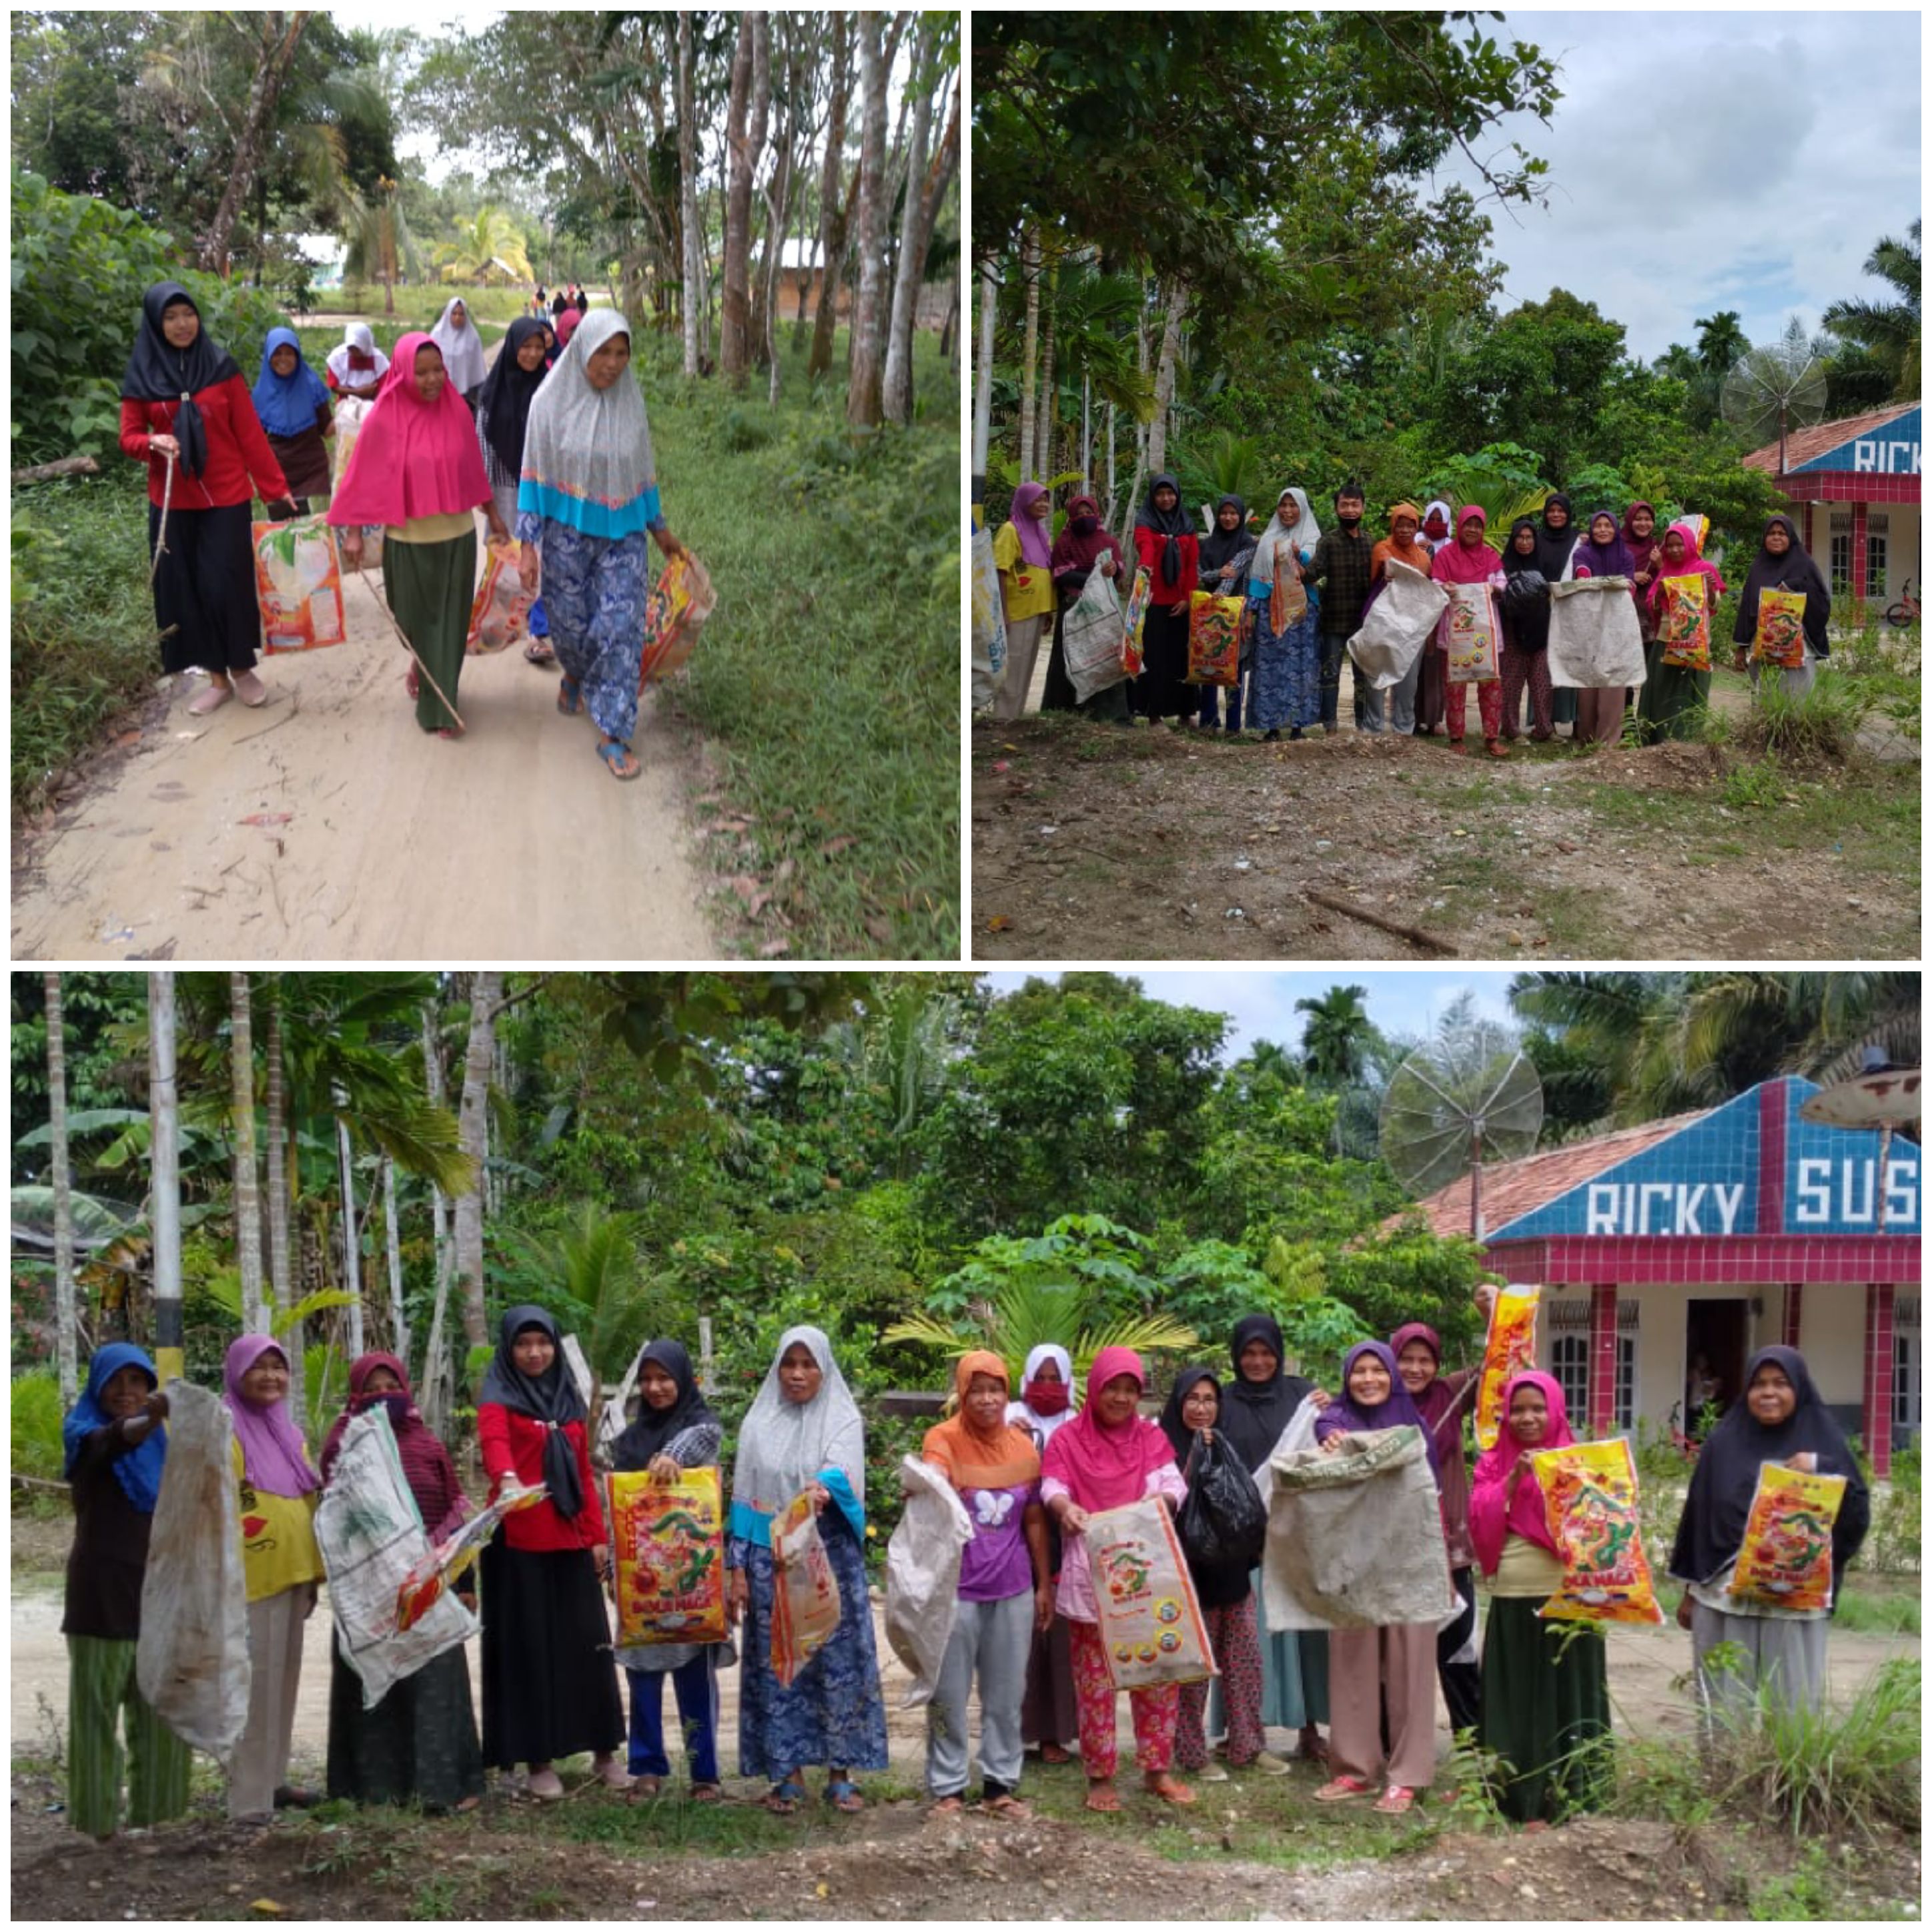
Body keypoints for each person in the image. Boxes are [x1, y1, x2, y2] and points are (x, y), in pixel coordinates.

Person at [517, 311, 688, 780]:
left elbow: (642, 470)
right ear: (582, 351)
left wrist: (660, 530)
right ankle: (574, 672)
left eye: (621, 353)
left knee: (619, 627)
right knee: (570, 623)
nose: (612, 364)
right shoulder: (548, 404)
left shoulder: (631, 402)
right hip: (566, 536)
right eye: (603, 353)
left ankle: (613, 731)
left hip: (624, 538)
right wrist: (527, 544)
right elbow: (533, 474)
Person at [1667, 1347, 1870, 1733]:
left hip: (1794, 1598)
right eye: (1759, 1384)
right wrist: (1691, 1591)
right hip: (1723, 1596)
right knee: (1722, 1709)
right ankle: (1723, 1786)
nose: (1768, 1393)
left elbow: (1857, 1510)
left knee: (1793, 1709)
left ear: (1799, 1389)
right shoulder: (1723, 1444)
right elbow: (1699, 1516)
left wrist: (1821, 1469)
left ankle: (1787, 1791)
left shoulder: (1825, 1445)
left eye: (1781, 1383)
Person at [729, 1326, 888, 1813]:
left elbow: (841, 1469)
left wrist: (822, 1487)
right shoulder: (757, 1425)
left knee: (836, 1664)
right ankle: (788, 1773)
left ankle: (842, 1772)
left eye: (807, 1364)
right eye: (789, 1364)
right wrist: (737, 1569)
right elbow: (742, 1497)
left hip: (828, 1560)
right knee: (780, 1666)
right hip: (770, 1562)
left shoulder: (842, 1419)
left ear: (824, 1369)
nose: (797, 1374)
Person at [120, 282, 298, 716]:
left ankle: (242, 668)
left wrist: (276, 489)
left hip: (225, 497)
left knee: (225, 586)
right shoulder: (143, 376)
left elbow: (250, 436)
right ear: (155, 323)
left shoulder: (221, 368)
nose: (182, 325)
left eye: (188, 314)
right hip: (171, 504)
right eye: (171, 317)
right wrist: (153, 443)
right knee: (189, 591)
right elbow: (127, 437)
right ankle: (215, 678)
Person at [319, 1353, 483, 1814]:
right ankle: (374, 1790)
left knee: (435, 1688)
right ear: (355, 1393)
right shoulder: (341, 1446)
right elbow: (333, 1521)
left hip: (429, 1587)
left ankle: (444, 1788)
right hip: (370, 1592)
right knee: (375, 1687)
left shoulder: (428, 1444)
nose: (381, 1395)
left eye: (390, 1384)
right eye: (370, 1387)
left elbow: (452, 1513)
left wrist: (466, 1581)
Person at [476, 1306, 629, 1799]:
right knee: (531, 1652)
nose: (535, 1352)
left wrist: (597, 1536)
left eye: (543, 1342)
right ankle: (538, 1759)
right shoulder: (498, 1397)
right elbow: (494, 1445)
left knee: (588, 1648)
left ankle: (604, 1752)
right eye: (524, 1344)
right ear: (509, 1350)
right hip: (519, 1540)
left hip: (570, 1540)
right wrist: (507, 1480)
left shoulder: (568, 1398)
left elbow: (583, 1472)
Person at [328, 334, 509, 739]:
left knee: (448, 626)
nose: (430, 380)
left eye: (437, 371)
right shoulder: (383, 416)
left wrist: (494, 516)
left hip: (455, 537)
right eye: (421, 372)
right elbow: (362, 480)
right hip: (407, 542)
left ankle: (441, 708)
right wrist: (354, 535)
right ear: (403, 371)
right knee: (411, 623)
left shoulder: (457, 410)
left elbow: (473, 472)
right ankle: (423, 662)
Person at [1042, 1346, 1195, 1812]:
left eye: (1131, 1390)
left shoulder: (1149, 1438)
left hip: (1146, 1575)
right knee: (1095, 1681)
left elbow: (1174, 1483)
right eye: (1114, 1387)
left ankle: (1156, 1769)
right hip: (1091, 1572)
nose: (1123, 1398)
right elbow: (1051, 1485)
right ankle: (1100, 1775)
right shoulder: (1067, 1439)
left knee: (1156, 1672)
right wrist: (1065, 1509)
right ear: (1096, 1388)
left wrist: (1162, 1504)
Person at [60, 1345, 190, 1841]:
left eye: (138, 1382)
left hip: (159, 1596)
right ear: (98, 1385)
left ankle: (159, 1817)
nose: (127, 1392)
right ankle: (96, 1824)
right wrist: (153, 1416)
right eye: (117, 1381)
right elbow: (118, 1439)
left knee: (160, 1711)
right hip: (99, 1597)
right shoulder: (84, 1435)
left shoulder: (165, 1450)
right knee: (96, 1713)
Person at [1469, 1372, 1612, 1823]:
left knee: (1570, 1692)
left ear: (1556, 1410)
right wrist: (1513, 1481)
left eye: (1537, 1408)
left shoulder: (1581, 1462)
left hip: (1572, 1598)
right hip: (1514, 1593)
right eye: (1518, 1409)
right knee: (1519, 1697)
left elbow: (1604, 1525)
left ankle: (1576, 1792)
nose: (1527, 1418)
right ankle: (1519, 1799)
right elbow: (1478, 1518)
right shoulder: (1492, 1463)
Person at [1312, 1342, 1442, 1815]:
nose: (1369, 1379)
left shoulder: (1414, 1427)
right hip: (1352, 1563)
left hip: (1409, 1560)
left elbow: (1431, 1495)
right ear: (1347, 1378)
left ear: (1392, 1376)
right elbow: (1328, 1431)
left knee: (1411, 1667)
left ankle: (1406, 1776)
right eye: (1359, 1372)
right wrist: (1330, 1436)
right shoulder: (1333, 1424)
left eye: (1378, 1371)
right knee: (1352, 1665)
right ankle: (1355, 1770)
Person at [919, 1352, 1051, 1818]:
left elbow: (1034, 1520)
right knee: (946, 1695)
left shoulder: (1023, 1448)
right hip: (954, 1591)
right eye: (977, 1390)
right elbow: (931, 1472)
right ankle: (947, 1787)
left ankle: (1000, 1785)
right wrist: (931, 1477)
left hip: (1012, 1588)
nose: (987, 1399)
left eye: (995, 1389)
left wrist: (1042, 1584)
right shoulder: (943, 1438)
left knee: (1005, 1696)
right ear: (962, 1392)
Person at [610, 1340, 729, 1800]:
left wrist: (672, 1456)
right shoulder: (628, 1442)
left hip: (690, 1582)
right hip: (642, 1585)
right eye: (648, 1379)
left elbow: (701, 1438)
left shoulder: (702, 1428)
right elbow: (615, 1503)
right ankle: (646, 1767)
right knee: (641, 1673)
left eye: (665, 1377)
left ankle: (705, 1773)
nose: (656, 1387)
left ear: (683, 1380)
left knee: (695, 1677)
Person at [223, 1334, 324, 1825]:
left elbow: (307, 1500)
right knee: (253, 1687)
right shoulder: (227, 1430)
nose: (270, 1377)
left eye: (278, 1367)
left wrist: (315, 1575)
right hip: (250, 1578)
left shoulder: (290, 1433)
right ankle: (248, 1800)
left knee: (283, 1681)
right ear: (237, 1373)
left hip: (293, 1574)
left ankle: (274, 1781)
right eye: (258, 1367)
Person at [1218, 1314, 1326, 1763]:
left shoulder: (1301, 1394)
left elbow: (1328, 1436)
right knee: (1248, 1634)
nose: (1258, 1361)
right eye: (1249, 1353)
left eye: (1266, 1353)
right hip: (1242, 1536)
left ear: (1279, 1354)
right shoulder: (1222, 1400)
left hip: (1296, 1534)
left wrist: (1330, 1407)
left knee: (1303, 1634)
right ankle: (1245, 1730)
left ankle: (1311, 1731)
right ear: (1237, 1356)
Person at [1158, 1368, 1275, 1781]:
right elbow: (1169, 1501)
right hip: (1187, 1576)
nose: (1201, 1408)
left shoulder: (1228, 1442)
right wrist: (1195, 1458)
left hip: (1232, 1571)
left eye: (1209, 1399)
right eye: (1192, 1399)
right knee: (1193, 1668)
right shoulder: (1162, 1444)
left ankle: (1248, 1744)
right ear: (1178, 1402)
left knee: (1244, 1662)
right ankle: (1191, 1752)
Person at [1390, 1319, 1484, 1738]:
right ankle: (1393, 1744)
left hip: (1451, 1550)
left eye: (1424, 1360)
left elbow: (1504, 1366)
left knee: (1457, 1651)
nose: (1414, 1369)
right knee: (1395, 1657)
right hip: (1396, 1553)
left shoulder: (1452, 1392)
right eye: (1405, 1359)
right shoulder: (1377, 1403)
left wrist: (1491, 1313)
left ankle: (1474, 1745)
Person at [1006, 1344, 1080, 1762]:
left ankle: (1055, 1734)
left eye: (1056, 1378)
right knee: (1020, 1639)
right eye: (1041, 1377)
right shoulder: (1007, 1416)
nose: (1048, 1386)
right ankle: (1016, 1733)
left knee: (1059, 1639)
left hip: (1064, 1539)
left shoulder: (1078, 1423)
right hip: (1013, 1540)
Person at [474, 315, 558, 666]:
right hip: (505, 490)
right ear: (512, 347)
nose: (533, 354)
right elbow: (482, 449)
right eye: (526, 346)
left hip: (541, 491)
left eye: (539, 347)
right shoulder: (491, 395)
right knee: (507, 560)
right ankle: (503, 624)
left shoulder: (551, 389)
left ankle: (540, 634)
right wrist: (490, 507)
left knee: (542, 558)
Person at [1041, 492, 1130, 722]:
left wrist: (1113, 570)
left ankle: (1109, 714)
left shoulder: (1108, 541)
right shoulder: (1065, 542)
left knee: (1106, 658)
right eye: (1079, 514)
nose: (1084, 517)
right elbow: (1061, 575)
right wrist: (1096, 575)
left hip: (1103, 609)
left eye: (1088, 512)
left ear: (1096, 514)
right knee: (1071, 659)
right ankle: (1066, 712)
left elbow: (1119, 570)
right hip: (1074, 608)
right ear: (1071, 517)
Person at [1430, 506, 1508, 758]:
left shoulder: (1489, 555)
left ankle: (1492, 737)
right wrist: (1446, 588)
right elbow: (1436, 583)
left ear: (1482, 529)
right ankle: (1456, 737)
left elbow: (1502, 580)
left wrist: (1495, 588)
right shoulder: (1445, 555)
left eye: (1478, 525)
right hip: (1457, 633)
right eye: (1468, 524)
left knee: (1491, 684)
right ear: (1460, 526)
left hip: (1486, 630)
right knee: (1455, 684)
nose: (1473, 530)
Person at [1638, 520, 1725, 743]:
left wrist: (1711, 588)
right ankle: (1657, 738)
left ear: (1690, 545)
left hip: (1695, 642)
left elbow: (1715, 605)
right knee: (1661, 691)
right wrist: (1658, 594)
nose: (1675, 549)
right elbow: (1653, 606)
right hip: (1665, 640)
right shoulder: (1665, 570)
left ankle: (1687, 739)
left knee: (1690, 691)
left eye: (1680, 544)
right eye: (1670, 546)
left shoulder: (1704, 569)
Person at [1248, 487, 1322, 743]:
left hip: (1301, 612)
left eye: (1293, 506)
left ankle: (1298, 726)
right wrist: (1251, 610)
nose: (1288, 511)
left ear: (1302, 508)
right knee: (1270, 669)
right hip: (1271, 612)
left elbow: (1314, 567)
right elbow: (1258, 576)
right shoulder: (1268, 538)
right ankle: (1271, 726)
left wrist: (1298, 554)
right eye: (1283, 505)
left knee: (1301, 667)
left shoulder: (1312, 537)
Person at [1300, 484, 1377, 733]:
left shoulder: (1371, 543)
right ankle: (1330, 727)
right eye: (1344, 505)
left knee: (1362, 677)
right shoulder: (1328, 542)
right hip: (1333, 620)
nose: (1350, 510)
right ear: (1336, 508)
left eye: (1355, 505)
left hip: (1363, 624)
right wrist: (1294, 562)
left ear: (1363, 507)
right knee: (1330, 675)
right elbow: (1311, 574)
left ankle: (1362, 724)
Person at [1733, 514, 1831, 699]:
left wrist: (1796, 587)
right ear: (1765, 537)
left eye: (1781, 533)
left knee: (1796, 701)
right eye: (1771, 533)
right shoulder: (1758, 567)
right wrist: (1741, 646)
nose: (1776, 537)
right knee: (1765, 700)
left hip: (1798, 649)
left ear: (1790, 537)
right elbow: (1747, 607)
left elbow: (1822, 602)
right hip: (1763, 648)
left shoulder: (1804, 564)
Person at [1129, 474, 1201, 723]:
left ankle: (1185, 714)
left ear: (1177, 495)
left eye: (1170, 493)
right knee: (1155, 659)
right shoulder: (1145, 522)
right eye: (1160, 494)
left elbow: (1192, 565)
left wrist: (1188, 598)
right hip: (1154, 601)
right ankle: (1154, 715)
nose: (1166, 498)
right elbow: (1145, 548)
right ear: (1153, 496)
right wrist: (1145, 569)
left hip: (1181, 603)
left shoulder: (1187, 524)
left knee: (1181, 658)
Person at [1564, 510, 1636, 745]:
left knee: (1614, 686)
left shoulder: (1625, 556)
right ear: (1592, 529)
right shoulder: (1583, 553)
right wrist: (1587, 578)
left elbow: (1630, 587)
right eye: (1598, 526)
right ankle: (1586, 738)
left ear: (1616, 529)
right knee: (1589, 686)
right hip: (1589, 628)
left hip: (1617, 628)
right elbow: (1581, 572)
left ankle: (1608, 742)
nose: (1603, 530)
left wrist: (1607, 587)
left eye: (1608, 525)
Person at [1362, 502, 1432, 735]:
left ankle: (1404, 730)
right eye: (1400, 526)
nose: (1404, 531)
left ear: (1416, 528)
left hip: (1412, 625)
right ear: (1393, 526)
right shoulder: (1382, 549)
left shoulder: (1424, 558)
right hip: (1383, 622)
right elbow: (1385, 568)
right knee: (1376, 676)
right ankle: (1373, 729)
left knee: (1408, 681)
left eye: (1409, 526)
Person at [991, 481, 1056, 720]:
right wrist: (1003, 612)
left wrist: (1048, 610)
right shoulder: (1011, 530)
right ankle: (1002, 718)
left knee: (1027, 666)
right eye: (1038, 499)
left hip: (1037, 609)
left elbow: (1043, 572)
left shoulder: (1040, 533)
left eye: (1046, 499)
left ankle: (1015, 718)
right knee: (1014, 667)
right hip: (1017, 610)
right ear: (1023, 502)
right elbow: (1000, 570)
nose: (1044, 504)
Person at [252, 328, 334, 514]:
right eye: (277, 353)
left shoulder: (312, 386)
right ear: (268, 356)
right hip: (279, 474)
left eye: (289, 353)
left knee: (315, 532)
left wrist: (350, 418)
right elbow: (255, 441)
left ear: (298, 355)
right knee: (283, 535)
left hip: (312, 472)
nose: (283, 359)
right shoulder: (260, 394)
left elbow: (326, 429)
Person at [1194, 496, 1258, 733]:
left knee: (1235, 669)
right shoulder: (1207, 544)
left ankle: (1233, 726)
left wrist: (1219, 595)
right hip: (1210, 613)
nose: (1228, 518)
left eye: (1233, 513)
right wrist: (1217, 574)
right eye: (1224, 513)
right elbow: (1200, 573)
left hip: (1236, 611)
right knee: (1208, 665)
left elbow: (1235, 572)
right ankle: (1209, 721)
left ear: (1241, 516)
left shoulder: (1248, 544)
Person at [1499, 518, 1555, 743]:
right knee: (1512, 682)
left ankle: (1544, 729)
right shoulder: (1504, 565)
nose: (1524, 542)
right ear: (1513, 540)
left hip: (1540, 630)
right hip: (1513, 630)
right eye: (1520, 538)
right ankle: (1511, 730)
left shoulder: (1543, 563)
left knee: (1542, 681)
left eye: (1529, 537)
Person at [1532, 493, 1582, 733]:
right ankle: (1543, 721)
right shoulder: (1536, 540)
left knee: (1570, 663)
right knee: (1542, 665)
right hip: (1540, 609)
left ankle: (1573, 719)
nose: (1556, 514)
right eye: (1551, 510)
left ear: (1569, 513)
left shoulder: (1578, 540)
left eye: (1561, 510)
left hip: (1570, 610)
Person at [1414, 499, 1456, 734]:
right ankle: (1411, 717)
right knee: (1413, 665)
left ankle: (1433, 719)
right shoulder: (1414, 540)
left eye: (1441, 520)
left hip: (1442, 612)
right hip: (1415, 610)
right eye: (1433, 518)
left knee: (1435, 667)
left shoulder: (1451, 546)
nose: (1436, 523)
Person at [430, 296, 488, 414]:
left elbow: (477, 370)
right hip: (439, 392)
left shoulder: (473, 338)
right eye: (454, 313)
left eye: (461, 314)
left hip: (464, 395)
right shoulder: (436, 335)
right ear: (448, 314)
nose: (457, 317)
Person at [324, 322, 390, 401]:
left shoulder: (379, 360)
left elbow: (385, 387)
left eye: (357, 349)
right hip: (347, 401)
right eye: (351, 349)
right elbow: (334, 387)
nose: (353, 353)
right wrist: (357, 392)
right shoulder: (337, 357)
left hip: (373, 402)